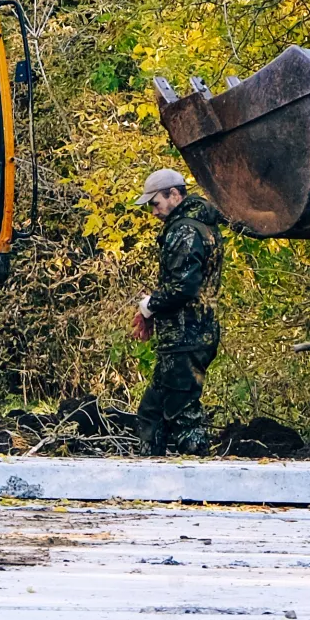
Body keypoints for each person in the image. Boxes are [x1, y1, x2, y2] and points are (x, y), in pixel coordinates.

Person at [132, 168, 224, 453]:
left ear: (174, 194)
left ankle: (198, 471)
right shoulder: (202, 225)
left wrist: (150, 305)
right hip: (191, 335)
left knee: (184, 418)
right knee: (152, 413)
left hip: (185, 337)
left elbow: (183, 286)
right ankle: (150, 473)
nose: (153, 212)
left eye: (155, 203)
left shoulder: (185, 229)